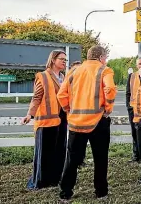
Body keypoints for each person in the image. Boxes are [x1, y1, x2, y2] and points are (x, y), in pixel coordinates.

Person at [57, 45, 117, 202]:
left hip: (76, 122)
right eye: (105, 58)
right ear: (101, 57)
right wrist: (108, 108)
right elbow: (110, 89)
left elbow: (61, 94)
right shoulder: (105, 70)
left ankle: (65, 192)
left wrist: (68, 110)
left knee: (72, 159)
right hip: (98, 121)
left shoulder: (74, 71)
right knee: (100, 158)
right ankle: (101, 192)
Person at [21, 49, 68, 190]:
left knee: (59, 150)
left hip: (62, 118)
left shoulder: (64, 77)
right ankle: (41, 181)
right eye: (62, 59)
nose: (64, 62)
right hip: (46, 120)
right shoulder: (42, 76)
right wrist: (30, 114)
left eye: (65, 60)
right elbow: (37, 97)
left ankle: (55, 179)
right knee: (45, 153)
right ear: (53, 60)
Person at [125, 55, 141, 162]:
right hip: (133, 109)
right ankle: (136, 154)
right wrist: (129, 106)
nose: (140, 65)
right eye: (139, 63)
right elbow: (128, 93)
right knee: (134, 131)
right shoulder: (132, 76)